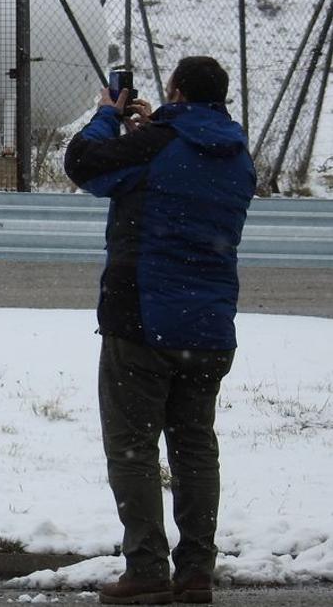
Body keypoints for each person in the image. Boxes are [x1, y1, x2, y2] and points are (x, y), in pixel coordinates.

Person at [64, 56, 255, 606]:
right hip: (210, 325)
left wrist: (108, 116)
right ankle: (196, 571)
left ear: (175, 90)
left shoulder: (156, 146)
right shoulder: (238, 154)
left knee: (133, 447)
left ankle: (146, 567)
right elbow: (181, 182)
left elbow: (85, 165)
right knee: (195, 446)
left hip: (141, 319)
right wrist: (154, 131)